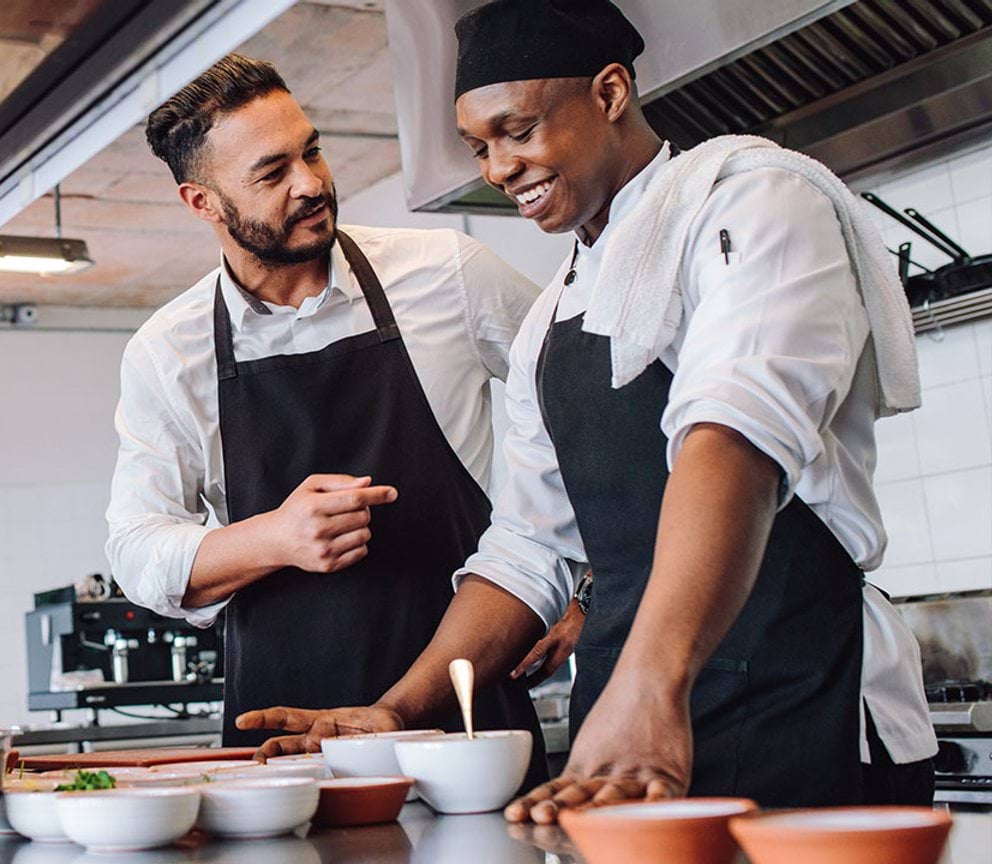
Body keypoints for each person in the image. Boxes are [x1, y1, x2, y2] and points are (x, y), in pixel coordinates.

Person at [237, 0, 938, 820]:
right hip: (626, 731)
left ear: (609, 93)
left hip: (800, 693)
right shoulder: (548, 321)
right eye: (479, 147)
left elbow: (735, 437)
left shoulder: (754, 203)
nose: (498, 168)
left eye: (518, 130)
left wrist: (652, 682)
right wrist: (399, 709)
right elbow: (529, 551)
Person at [104, 54, 549, 782]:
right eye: (272, 172)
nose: (311, 182)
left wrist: (580, 590)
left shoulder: (449, 275)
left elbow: (592, 409)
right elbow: (135, 551)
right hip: (282, 746)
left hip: (467, 722)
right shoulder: (167, 351)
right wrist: (274, 537)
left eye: (310, 150)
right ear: (203, 202)